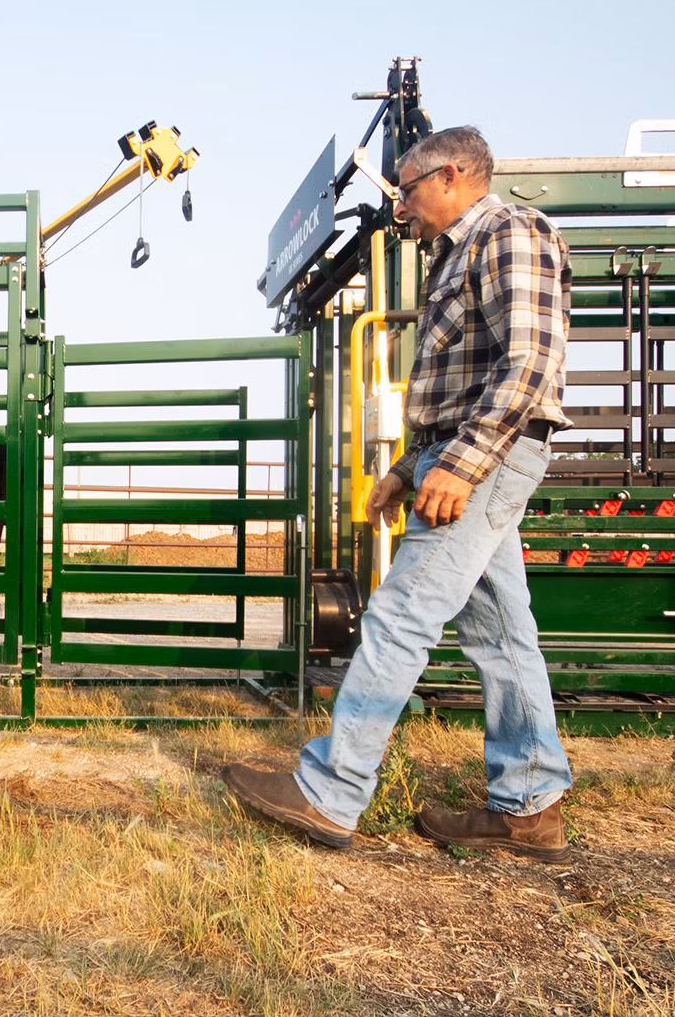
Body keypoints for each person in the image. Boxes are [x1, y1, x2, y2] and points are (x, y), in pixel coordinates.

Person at [223, 126, 575, 861]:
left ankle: (332, 791)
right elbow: (460, 380)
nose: (400, 209)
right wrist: (409, 465)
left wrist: (462, 463)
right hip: (461, 452)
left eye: (406, 192)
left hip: (488, 454)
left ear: (450, 177)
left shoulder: (510, 231)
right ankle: (530, 803)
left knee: (398, 617)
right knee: (501, 633)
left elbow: (530, 364)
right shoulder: (456, 254)